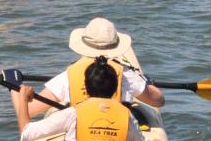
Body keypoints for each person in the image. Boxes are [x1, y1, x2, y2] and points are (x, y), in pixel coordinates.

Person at [11, 56, 164, 141]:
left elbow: (26, 132)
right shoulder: (126, 116)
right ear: (115, 89)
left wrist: (22, 97)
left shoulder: (72, 114)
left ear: (86, 87)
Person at [22, 17, 166, 118]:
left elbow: (28, 110)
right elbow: (158, 101)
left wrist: (17, 91)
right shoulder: (126, 75)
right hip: (117, 137)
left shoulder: (68, 77)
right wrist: (146, 83)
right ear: (115, 47)